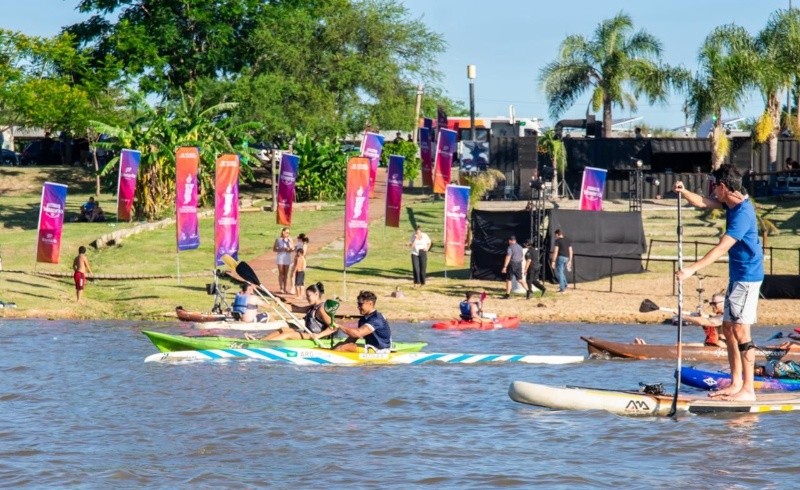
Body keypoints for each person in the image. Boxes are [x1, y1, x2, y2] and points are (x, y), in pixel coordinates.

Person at [675, 163, 764, 401]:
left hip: (748, 278)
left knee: (741, 330)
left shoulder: (743, 214)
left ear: (724, 187)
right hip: (737, 277)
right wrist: (684, 192)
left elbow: (720, 249)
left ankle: (749, 390)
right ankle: (736, 383)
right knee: (728, 327)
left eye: (715, 186)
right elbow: (704, 202)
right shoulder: (731, 203)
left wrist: (691, 270)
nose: (713, 190)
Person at [249, 282, 336, 341]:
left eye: (308, 296)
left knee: (288, 334)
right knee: (283, 330)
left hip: (314, 336)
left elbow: (333, 327)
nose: (307, 298)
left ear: (316, 294)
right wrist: (280, 302)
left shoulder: (321, 309)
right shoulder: (313, 306)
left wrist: (318, 336)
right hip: (307, 333)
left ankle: (262, 345)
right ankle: (261, 341)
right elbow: (295, 309)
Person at [273, 228, 293, 293]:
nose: (288, 234)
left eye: (288, 233)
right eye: (287, 232)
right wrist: (282, 249)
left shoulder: (290, 240)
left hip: (287, 257)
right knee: (281, 273)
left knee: (286, 273)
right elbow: (274, 249)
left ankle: (285, 288)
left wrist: (289, 248)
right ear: (283, 232)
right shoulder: (278, 240)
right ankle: (281, 288)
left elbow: (292, 249)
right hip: (280, 257)